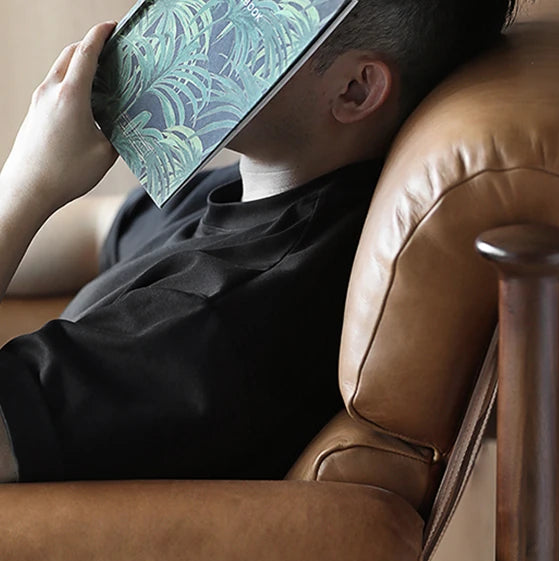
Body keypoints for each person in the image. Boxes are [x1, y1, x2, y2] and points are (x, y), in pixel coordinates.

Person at [0, 0, 515, 483]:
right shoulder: (284, 194)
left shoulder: (211, 328)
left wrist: (26, 185)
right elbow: (96, 233)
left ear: (355, 90)